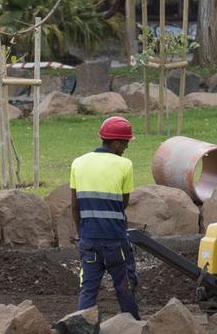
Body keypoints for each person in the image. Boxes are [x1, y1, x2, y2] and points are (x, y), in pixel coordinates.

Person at [69, 116, 140, 319]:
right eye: (126, 143)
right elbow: (123, 204)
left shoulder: (78, 163)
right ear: (116, 143)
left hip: (89, 239)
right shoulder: (124, 165)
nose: (127, 147)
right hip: (115, 240)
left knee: (88, 289)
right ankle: (134, 327)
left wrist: (80, 233)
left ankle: (81, 329)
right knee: (125, 287)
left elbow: (75, 205)